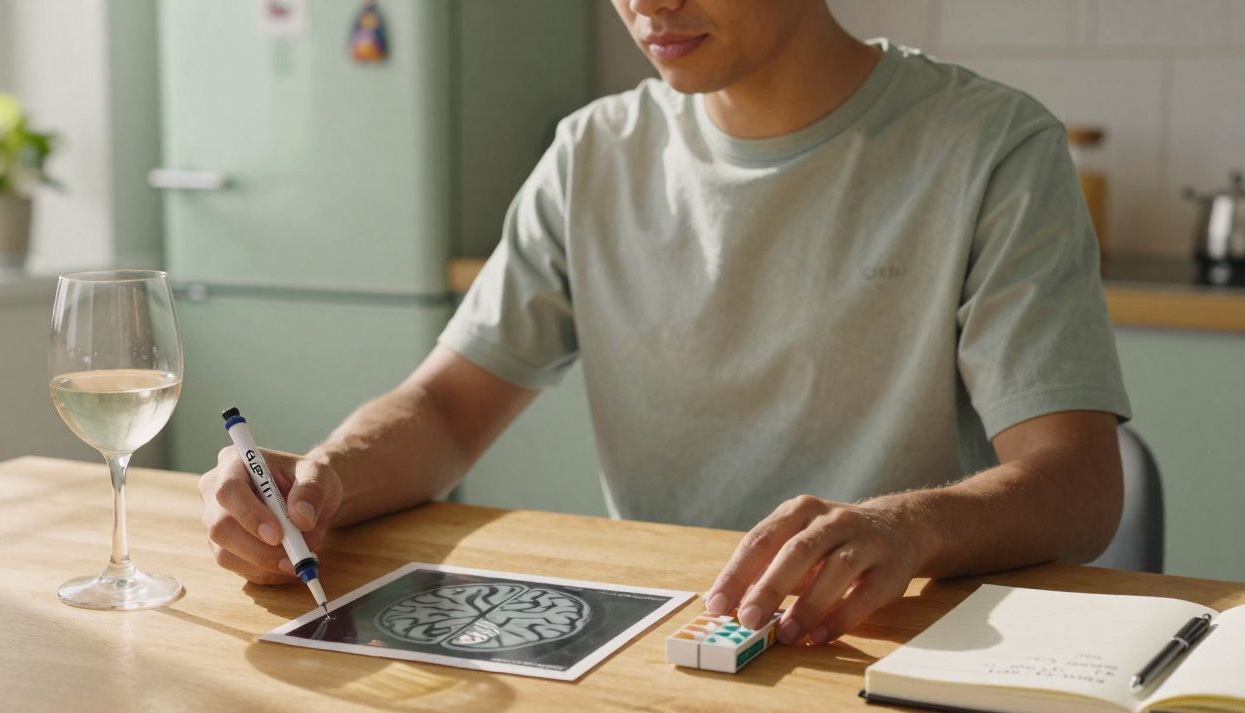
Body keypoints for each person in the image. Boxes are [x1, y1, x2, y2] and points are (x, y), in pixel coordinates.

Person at [199, 0, 1130, 648]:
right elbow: (444, 411)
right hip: (663, 645)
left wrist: (906, 526)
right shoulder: (592, 153)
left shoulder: (992, 148)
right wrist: (322, 483)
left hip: (885, 645)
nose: (649, 3)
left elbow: (1079, 487)